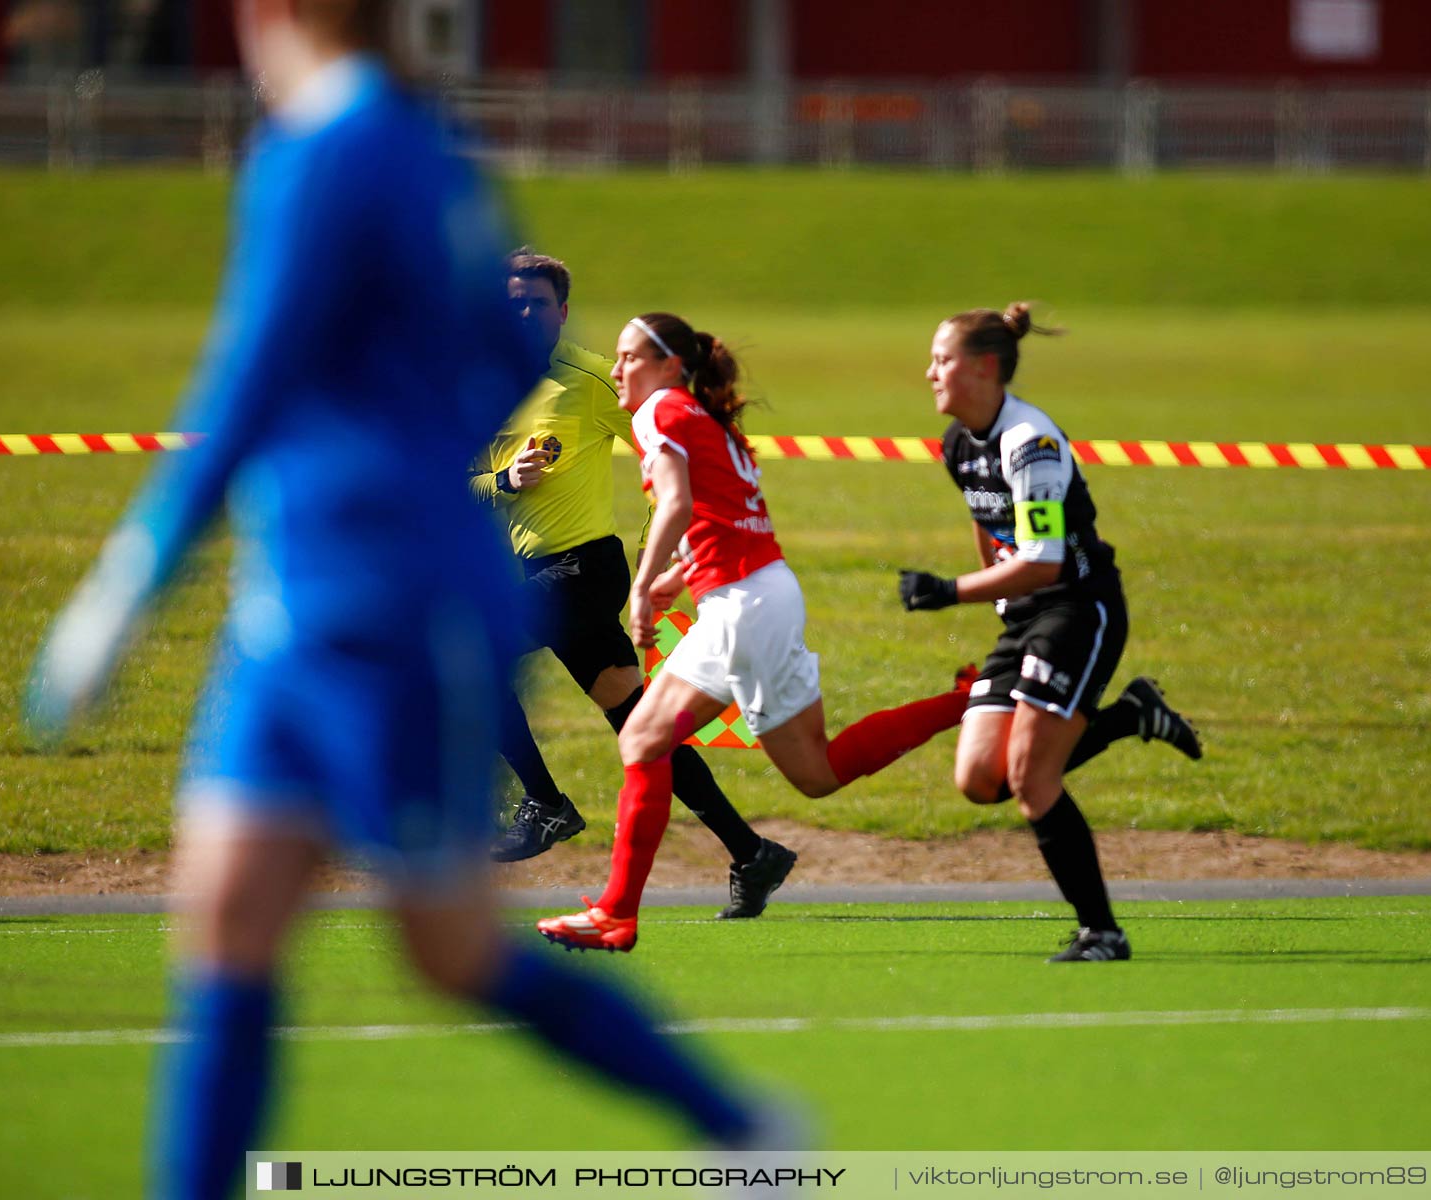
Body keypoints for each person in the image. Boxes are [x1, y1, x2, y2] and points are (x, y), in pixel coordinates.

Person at [24, 4, 776, 1197]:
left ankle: (742, 1128)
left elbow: (252, 372)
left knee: (449, 951)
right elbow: (494, 352)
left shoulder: (336, 149)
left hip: (396, 607)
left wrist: (134, 572)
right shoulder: (426, 151)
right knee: (224, 922)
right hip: (293, 603)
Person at [536, 313, 971, 953]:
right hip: (759, 595)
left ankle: (615, 913)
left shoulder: (661, 409)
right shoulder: (703, 418)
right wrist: (681, 575)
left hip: (742, 604)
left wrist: (644, 581)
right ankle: (971, 696)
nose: (619, 369)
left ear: (669, 366)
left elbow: (679, 503)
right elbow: (724, 517)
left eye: (630, 357)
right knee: (816, 772)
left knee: (644, 740)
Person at [469, 250, 797, 919]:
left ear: (562, 312)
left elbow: (679, 454)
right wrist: (504, 482)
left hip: (584, 569)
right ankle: (751, 852)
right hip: (531, 574)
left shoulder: (592, 382)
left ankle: (545, 806)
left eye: (537, 303)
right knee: (638, 722)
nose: (523, 314)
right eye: (511, 302)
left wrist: (661, 552)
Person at [897, 302, 1203, 963]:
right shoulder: (958, 441)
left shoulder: (1028, 441)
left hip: (1076, 607)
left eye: (942, 360)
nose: (929, 373)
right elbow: (987, 519)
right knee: (981, 780)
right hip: (1026, 612)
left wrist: (950, 592)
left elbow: (1043, 560)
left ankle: (1103, 932)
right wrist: (994, 598)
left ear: (982, 368)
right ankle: (1130, 716)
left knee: (1032, 779)